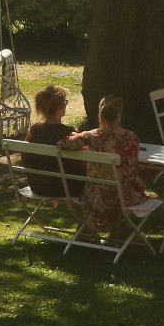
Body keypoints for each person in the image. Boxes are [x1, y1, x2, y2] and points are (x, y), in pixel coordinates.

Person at [57, 94, 146, 236]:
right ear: (120, 113)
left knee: (103, 186)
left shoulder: (92, 136)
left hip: (97, 194)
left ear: (100, 112)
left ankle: (86, 232)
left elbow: (63, 144)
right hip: (127, 194)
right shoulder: (132, 137)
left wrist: (73, 134)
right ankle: (114, 234)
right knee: (119, 183)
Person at [22, 84, 77, 198]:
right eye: (65, 102)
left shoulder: (34, 131)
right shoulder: (68, 133)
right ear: (61, 106)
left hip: (37, 186)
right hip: (64, 187)